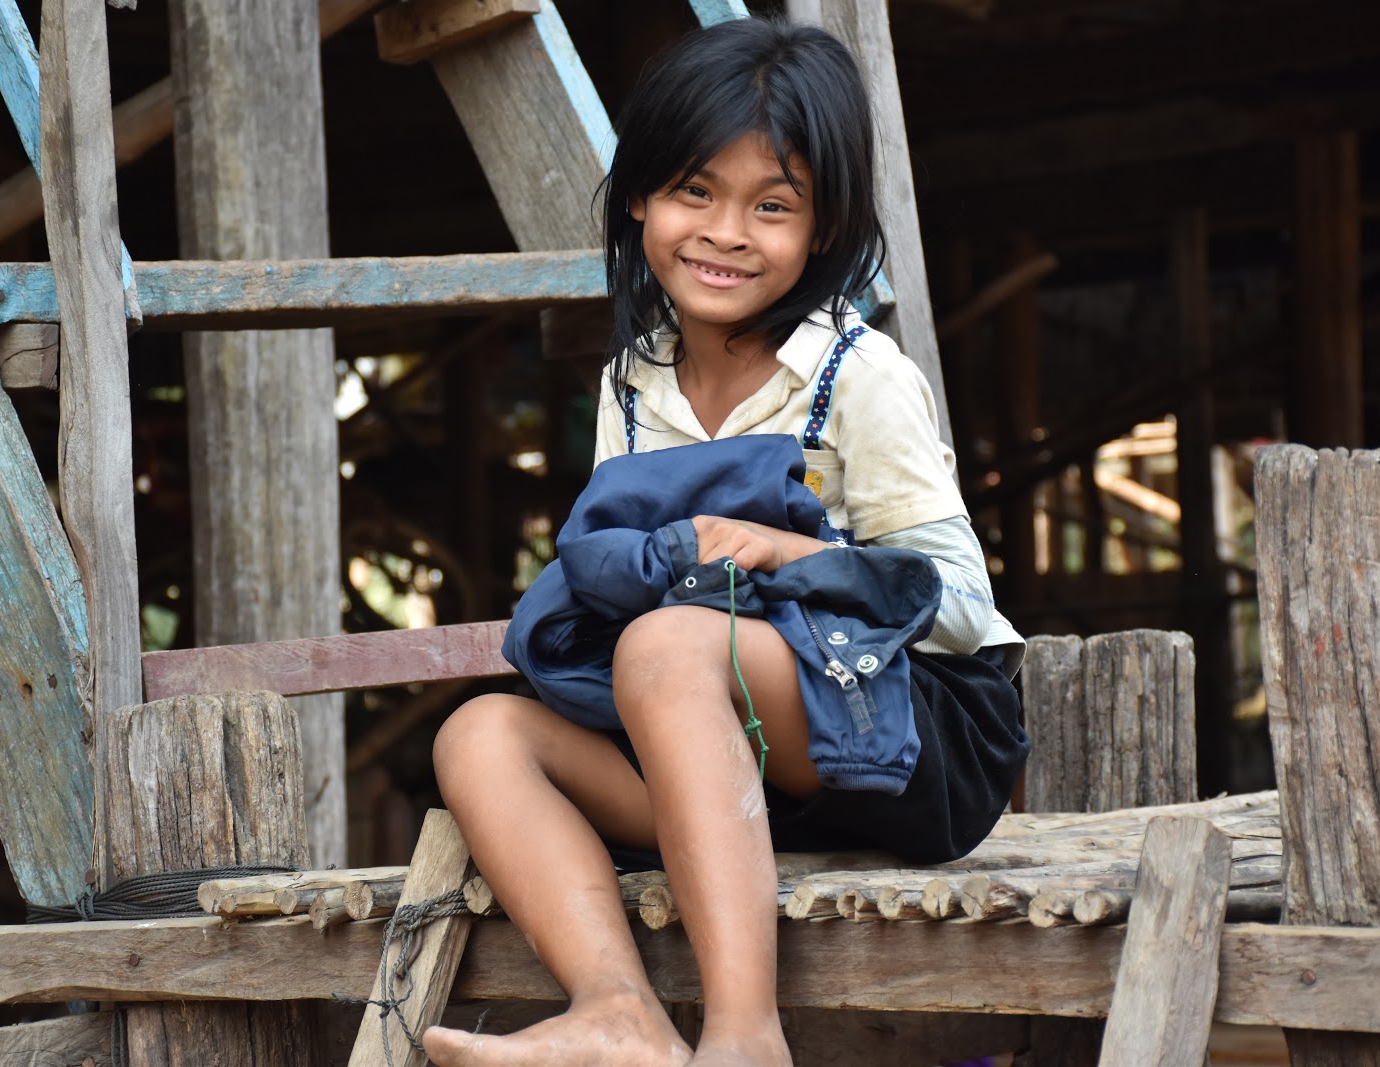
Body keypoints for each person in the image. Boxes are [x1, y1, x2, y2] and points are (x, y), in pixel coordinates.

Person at [422, 17, 1028, 1067]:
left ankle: (745, 1040)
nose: (725, 231)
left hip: (913, 741)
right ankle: (618, 1010)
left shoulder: (856, 373)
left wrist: (787, 553)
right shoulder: (631, 381)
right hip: (733, 765)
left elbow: (963, 607)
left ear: (823, 227)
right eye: (694, 192)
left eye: (772, 205)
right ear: (639, 199)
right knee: (480, 732)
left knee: (667, 644)